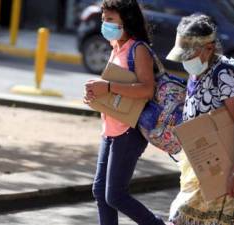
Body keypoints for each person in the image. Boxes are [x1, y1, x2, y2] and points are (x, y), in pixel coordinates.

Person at [166, 14, 234, 225]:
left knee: (179, 218)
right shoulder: (197, 73)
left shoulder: (224, 75)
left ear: (209, 48)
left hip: (223, 172)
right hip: (199, 169)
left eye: (190, 54)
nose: (185, 60)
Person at [83, 0, 165, 225]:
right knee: (100, 192)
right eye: (103, 20)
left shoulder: (138, 49)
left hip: (129, 131)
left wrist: (107, 87)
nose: (105, 25)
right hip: (111, 129)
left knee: (115, 195)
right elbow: (118, 90)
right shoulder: (116, 46)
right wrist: (97, 96)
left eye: (110, 20)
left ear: (126, 20)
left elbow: (147, 90)